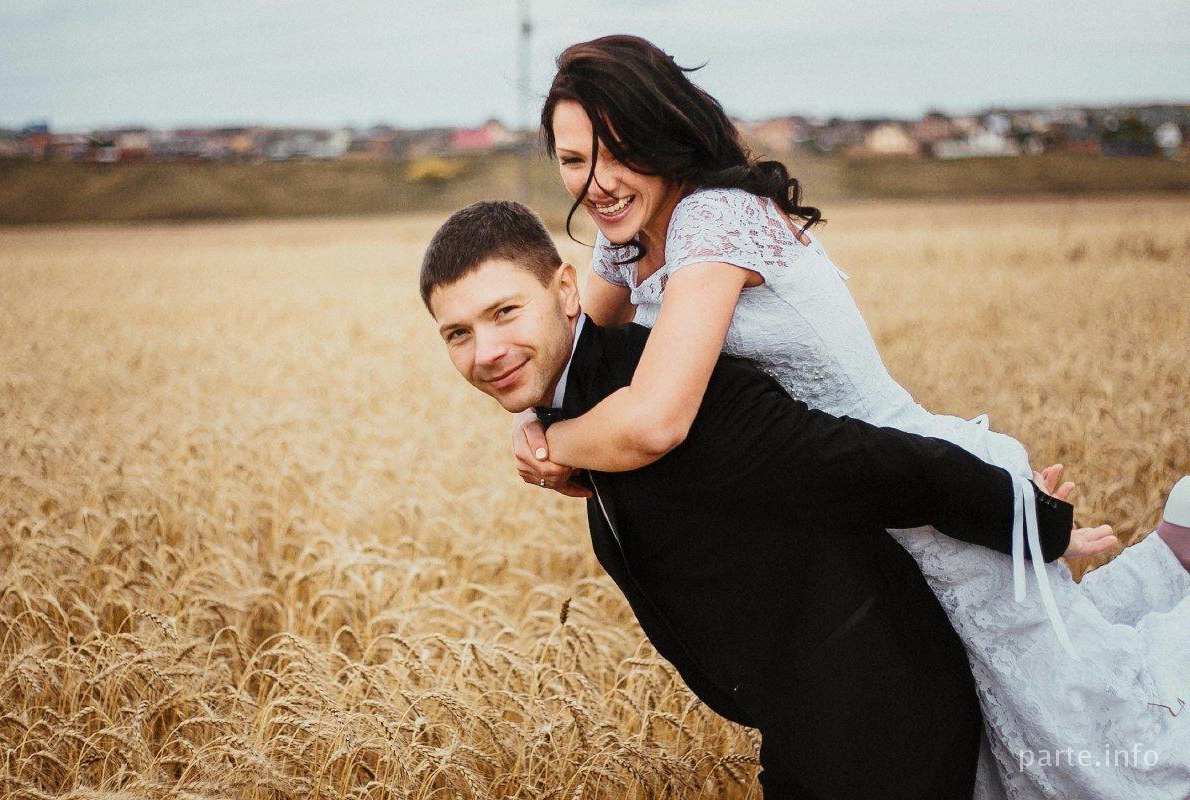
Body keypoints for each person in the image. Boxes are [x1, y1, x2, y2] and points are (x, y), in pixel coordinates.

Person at [508, 34, 1190, 800]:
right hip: (854, 509)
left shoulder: (712, 219)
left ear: (665, 132)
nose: (597, 184)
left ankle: (1177, 554)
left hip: (923, 497)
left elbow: (655, 419)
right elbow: (573, 364)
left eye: (620, 152)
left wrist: (551, 443)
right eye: (574, 161)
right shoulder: (626, 243)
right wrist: (533, 426)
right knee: (1008, 736)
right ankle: (1174, 553)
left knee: (1084, 749)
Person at [419, 198, 1110, 800]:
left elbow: (868, 463)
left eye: (505, 312)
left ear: (567, 290)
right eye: (459, 333)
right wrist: (541, 429)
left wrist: (1035, 523)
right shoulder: (580, 411)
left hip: (880, 718)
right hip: (805, 726)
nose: (487, 351)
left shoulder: (662, 391)